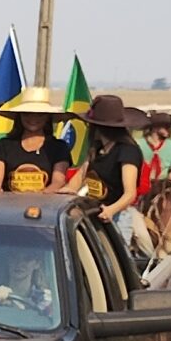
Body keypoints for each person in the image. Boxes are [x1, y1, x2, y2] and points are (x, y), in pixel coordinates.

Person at [67, 93, 151, 264]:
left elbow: (130, 193)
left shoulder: (127, 151)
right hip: (93, 213)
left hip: (118, 217)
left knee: (116, 263)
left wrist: (111, 210)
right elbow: (80, 176)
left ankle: (147, 264)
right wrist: (65, 191)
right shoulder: (97, 149)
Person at [0, 88, 73, 192]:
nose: (33, 118)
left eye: (40, 114)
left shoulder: (59, 147)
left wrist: (40, 197)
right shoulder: (4, 145)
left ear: (48, 117)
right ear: (19, 116)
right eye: (27, 113)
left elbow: (58, 182)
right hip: (9, 201)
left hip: (46, 201)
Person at [138, 112, 171, 197]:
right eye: (165, 127)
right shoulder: (139, 144)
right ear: (155, 128)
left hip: (164, 183)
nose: (168, 130)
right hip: (143, 182)